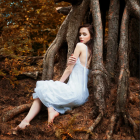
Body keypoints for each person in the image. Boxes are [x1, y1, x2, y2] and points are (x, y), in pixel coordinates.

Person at [14, 24, 94, 130]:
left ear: (91, 36)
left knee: (43, 87)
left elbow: (69, 69)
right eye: (80, 34)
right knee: (40, 94)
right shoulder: (93, 52)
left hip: (73, 92)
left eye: (84, 34)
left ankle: (40, 114)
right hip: (83, 96)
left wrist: (58, 83)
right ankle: (29, 120)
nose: (81, 37)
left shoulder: (80, 46)